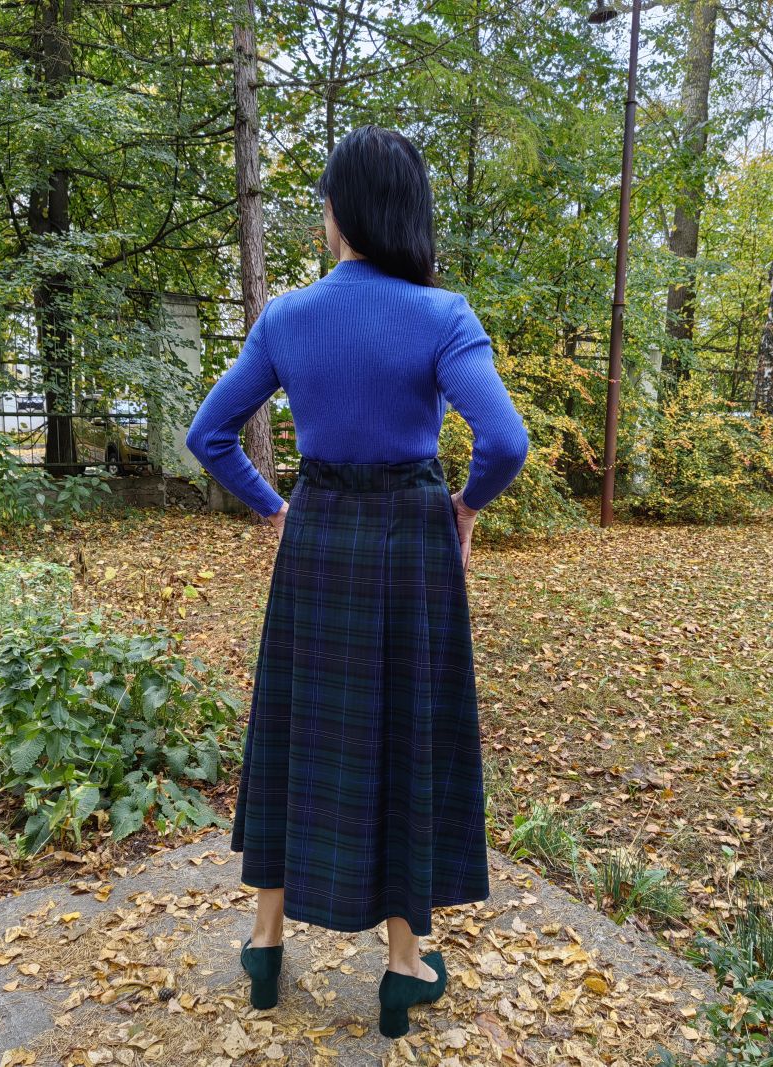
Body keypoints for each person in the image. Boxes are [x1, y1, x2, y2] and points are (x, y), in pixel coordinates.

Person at [185, 123, 529, 1039]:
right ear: (409, 214)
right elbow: (504, 441)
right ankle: (403, 967)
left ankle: (265, 944)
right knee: (406, 730)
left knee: (296, 725)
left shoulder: (287, 318)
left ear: (337, 212)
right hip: (413, 544)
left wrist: (275, 508)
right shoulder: (443, 314)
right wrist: (466, 508)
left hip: (319, 539)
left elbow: (208, 435)